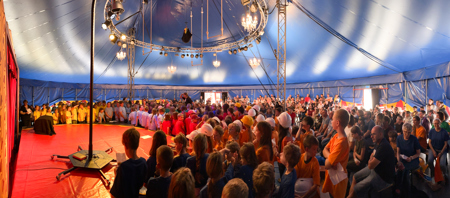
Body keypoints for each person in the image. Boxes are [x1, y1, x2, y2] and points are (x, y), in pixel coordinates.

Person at [347, 126, 396, 198]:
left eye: (373, 134)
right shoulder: (378, 142)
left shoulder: (383, 146)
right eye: (371, 134)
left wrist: (371, 160)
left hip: (382, 177)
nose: (371, 136)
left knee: (356, 188)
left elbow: (370, 165)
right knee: (355, 177)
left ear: (380, 134)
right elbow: (372, 157)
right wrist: (371, 160)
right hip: (375, 169)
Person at [110, 128, 147, 198]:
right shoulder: (143, 162)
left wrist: (116, 174)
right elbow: (142, 184)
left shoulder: (123, 167)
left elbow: (114, 195)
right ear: (137, 144)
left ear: (125, 145)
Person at [322, 109, 350, 198]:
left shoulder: (342, 143)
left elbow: (327, 165)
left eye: (333, 119)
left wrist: (329, 160)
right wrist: (330, 158)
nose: (331, 121)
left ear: (337, 123)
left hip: (338, 181)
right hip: (332, 177)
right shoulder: (336, 136)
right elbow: (324, 149)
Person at [395, 123, 421, 194]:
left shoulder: (414, 139)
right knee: (401, 168)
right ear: (402, 131)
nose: (407, 134)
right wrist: (398, 161)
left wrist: (411, 158)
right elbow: (398, 152)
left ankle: (400, 188)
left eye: (409, 132)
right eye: (405, 132)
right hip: (403, 158)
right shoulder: (399, 138)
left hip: (413, 159)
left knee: (403, 169)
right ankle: (406, 189)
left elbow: (418, 153)